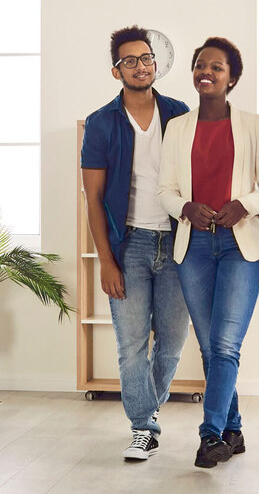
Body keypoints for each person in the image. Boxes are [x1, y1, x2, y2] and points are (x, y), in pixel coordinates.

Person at [158, 37, 259, 468]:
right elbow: (165, 191)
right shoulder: (177, 127)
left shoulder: (252, 124)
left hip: (240, 246)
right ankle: (232, 428)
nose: (205, 71)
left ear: (232, 78)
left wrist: (244, 205)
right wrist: (185, 208)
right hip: (193, 246)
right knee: (211, 348)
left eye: (217, 66)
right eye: (199, 65)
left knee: (226, 343)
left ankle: (210, 436)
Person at [80, 26, 191, 461]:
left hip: (179, 243)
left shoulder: (180, 113)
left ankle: (149, 409)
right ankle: (143, 426)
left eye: (146, 59)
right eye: (130, 61)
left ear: (155, 64)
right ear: (116, 70)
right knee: (129, 345)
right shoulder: (101, 122)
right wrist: (106, 260)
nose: (141, 66)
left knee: (172, 341)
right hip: (130, 246)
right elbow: (92, 198)